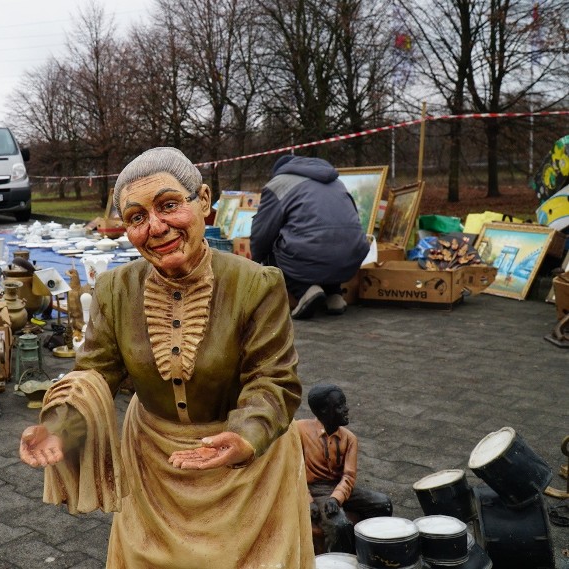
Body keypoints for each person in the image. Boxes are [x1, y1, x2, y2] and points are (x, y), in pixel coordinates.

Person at [20, 147, 315, 568]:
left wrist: (246, 435)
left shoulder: (257, 283)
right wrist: (59, 426)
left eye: (169, 205)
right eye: (137, 217)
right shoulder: (115, 289)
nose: (156, 227)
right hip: (153, 467)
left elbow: (273, 380)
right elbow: (95, 374)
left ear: (204, 201)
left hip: (250, 477)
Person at [250, 155, 369, 319]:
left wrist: (256, 262)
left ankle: (304, 291)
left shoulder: (278, 183)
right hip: (353, 257)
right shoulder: (338, 182)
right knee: (328, 242)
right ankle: (334, 296)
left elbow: (262, 232)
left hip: (313, 253)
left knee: (270, 250)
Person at [297, 384, 392, 553]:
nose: (346, 409)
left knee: (383, 504)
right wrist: (308, 501)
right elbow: (293, 472)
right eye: (340, 406)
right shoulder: (299, 431)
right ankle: (341, 559)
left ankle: (371, 551)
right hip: (315, 490)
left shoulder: (349, 439)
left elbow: (348, 476)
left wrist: (336, 499)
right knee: (340, 526)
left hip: (339, 487)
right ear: (324, 411)